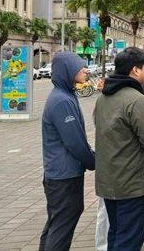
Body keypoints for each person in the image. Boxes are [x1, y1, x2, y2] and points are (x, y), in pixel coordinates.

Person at [94, 47, 144, 251]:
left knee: (116, 235)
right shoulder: (136, 100)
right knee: (129, 241)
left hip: (110, 182)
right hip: (134, 184)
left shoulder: (104, 97)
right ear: (135, 70)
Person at [40, 53, 95, 251]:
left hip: (59, 174)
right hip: (64, 176)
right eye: (81, 67)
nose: (85, 70)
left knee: (56, 223)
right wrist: (93, 161)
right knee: (62, 225)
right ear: (68, 70)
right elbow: (75, 142)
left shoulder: (64, 95)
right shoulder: (62, 100)